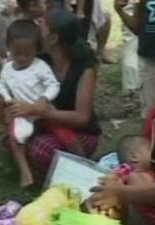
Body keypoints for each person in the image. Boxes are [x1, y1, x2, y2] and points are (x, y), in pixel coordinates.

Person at [0, 20, 69, 188]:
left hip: (42, 110)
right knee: (15, 138)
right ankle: (25, 172)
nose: (23, 58)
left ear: (36, 50)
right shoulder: (7, 69)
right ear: (8, 48)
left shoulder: (40, 67)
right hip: (21, 114)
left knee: (63, 131)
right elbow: (3, 90)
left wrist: (44, 99)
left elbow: (54, 85)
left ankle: (79, 158)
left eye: (28, 53)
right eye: (17, 53)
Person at [16, 9, 101, 176]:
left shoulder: (84, 68)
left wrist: (41, 111)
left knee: (43, 150)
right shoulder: (40, 60)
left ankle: (71, 169)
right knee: (14, 135)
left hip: (81, 132)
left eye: (43, 25)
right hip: (45, 124)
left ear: (54, 38)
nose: (38, 28)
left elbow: (82, 118)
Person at [91, 135, 155, 225]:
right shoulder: (135, 176)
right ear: (134, 157)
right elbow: (151, 196)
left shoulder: (148, 172)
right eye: (151, 150)